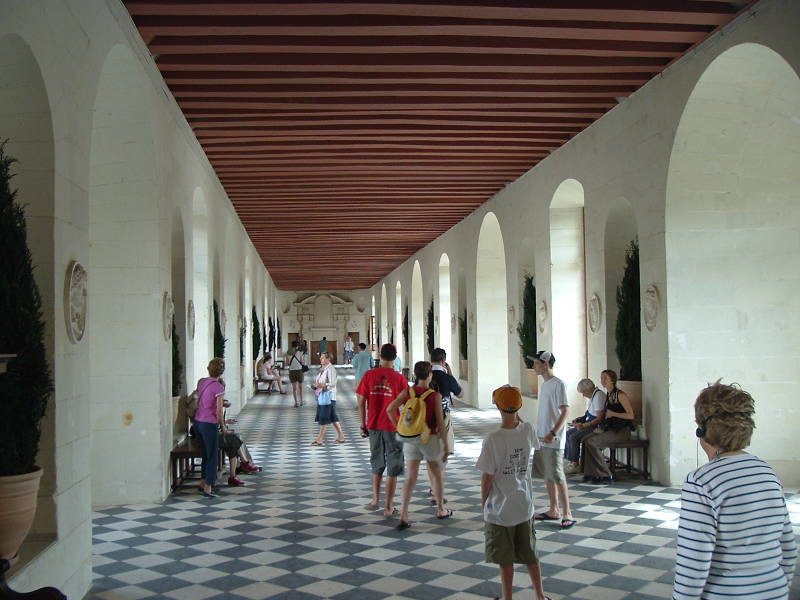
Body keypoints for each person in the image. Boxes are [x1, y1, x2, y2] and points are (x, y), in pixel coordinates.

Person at [673, 382, 797, 600]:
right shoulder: (767, 472)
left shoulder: (701, 482)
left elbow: (693, 564)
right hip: (775, 591)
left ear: (701, 431)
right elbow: (788, 547)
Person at [477, 385, 551, 600]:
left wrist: (484, 503)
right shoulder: (528, 429)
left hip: (500, 509)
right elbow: (533, 442)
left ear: (497, 406)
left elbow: (487, 477)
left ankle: (508, 597)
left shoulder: (493, 439)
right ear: (520, 405)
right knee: (530, 554)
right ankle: (540, 595)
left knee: (505, 559)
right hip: (524, 505)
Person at [386, 361, 451, 530]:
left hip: (410, 438)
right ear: (430, 375)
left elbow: (389, 409)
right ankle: (441, 509)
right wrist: (445, 446)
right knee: (436, 474)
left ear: (415, 375)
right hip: (430, 437)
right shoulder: (434, 395)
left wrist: (399, 427)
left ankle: (404, 514)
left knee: (411, 477)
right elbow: (440, 423)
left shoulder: (408, 392)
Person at [356, 343, 408, 518]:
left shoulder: (369, 375)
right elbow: (408, 404)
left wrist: (362, 424)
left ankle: (375, 500)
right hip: (393, 426)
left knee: (376, 462)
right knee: (393, 464)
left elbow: (361, 402)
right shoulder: (399, 378)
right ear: (394, 358)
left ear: (380, 356)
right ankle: (389, 506)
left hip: (374, 425)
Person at [529, 351, 576, 529]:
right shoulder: (545, 385)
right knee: (547, 474)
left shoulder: (558, 384)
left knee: (557, 474)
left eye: (536, 363)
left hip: (553, 438)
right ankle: (553, 509)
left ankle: (567, 513)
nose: (534, 366)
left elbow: (565, 411)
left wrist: (554, 432)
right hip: (542, 437)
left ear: (546, 364)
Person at [581, 369, 634, 484]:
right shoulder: (608, 395)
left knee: (592, 442)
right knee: (585, 439)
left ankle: (606, 474)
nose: (602, 380)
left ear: (612, 380)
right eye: (601, 378)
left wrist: (613, 414)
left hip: (621, 431)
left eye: (605, 378)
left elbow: (631, 415)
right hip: (609, 429)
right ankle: (591, 473)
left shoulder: (620, 395)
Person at [193, 357, 227, 498]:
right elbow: (219, 411)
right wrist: (223, 426)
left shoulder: (201, 382)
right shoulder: (218, 387)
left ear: (208, 368)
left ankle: (202, 482)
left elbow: (200, 398)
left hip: (198, 422)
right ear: (222, 371)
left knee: (205, 455)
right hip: (209, 424)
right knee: (213, 455)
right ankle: (208, 487)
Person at [563, 378, 605, 474]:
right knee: (568, 433)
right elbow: (588, 414)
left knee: (574, 437)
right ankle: (571, 461)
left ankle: (575, 464)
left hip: (595, 426)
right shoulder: (593, 396)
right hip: (589, 423)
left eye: (583, 392)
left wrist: (584, 425)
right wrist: (579, 420)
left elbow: (599, 418)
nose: (583, 395)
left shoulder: (598, 396)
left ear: (588, 389)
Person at [430, 347, 462, 456]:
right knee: (444, 447)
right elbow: (460, 394)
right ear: (443, 361)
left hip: (427, 414)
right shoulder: (446, 377)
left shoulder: (425, 375)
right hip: (444, 413)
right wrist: (451, 375)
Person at [311, 352, 346, 446]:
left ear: (328, 359)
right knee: (333, 417)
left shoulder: (330, 369)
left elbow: (333, 383)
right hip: (323, 395)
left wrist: (323, 385)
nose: (320, 359)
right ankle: (341, 436)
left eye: (322, 358)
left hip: (328, 397)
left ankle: (319, 439)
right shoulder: (323, 369)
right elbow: (320, 381)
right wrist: (316, 385)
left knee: (323, 417)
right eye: (321, 358)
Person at [287, 341, 307, 408]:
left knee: (294, 388)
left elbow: (288, 362)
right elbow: (302, 362)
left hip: (292, 371)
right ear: (297, 346)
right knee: (301, 387)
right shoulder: (299, 353)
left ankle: (296, 403)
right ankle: (301, 401)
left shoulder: (288, 353)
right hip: (299, 371)